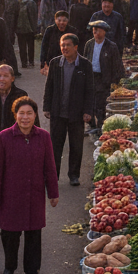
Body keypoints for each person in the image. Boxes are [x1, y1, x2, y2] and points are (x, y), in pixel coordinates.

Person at [0, 96, 58, 274]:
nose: (25, 118)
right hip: (10, 194)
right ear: (15, 115)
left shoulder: (43, 137)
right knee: (9, 234)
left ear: (35, 115)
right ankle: (10, 266)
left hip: (34, 194)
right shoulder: (4, 137)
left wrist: (53, 193)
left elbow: (50, 167)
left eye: (29, 113)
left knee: (34, 235)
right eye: (22, 113)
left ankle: (31, 271)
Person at [42, 32, 94, 187]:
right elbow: (49, 86)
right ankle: (53, 176)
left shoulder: (85, 65)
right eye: (62, 45)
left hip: (76, 113)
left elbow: (90, 90)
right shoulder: (55, 63)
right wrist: (46, 106)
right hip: (58, 111)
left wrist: (88, 110)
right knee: (54, 146)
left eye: (68, 45)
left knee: (76, 145)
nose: (64, 48)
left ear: (76, 47)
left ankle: (74, 175)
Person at [84, 20, 124, 132]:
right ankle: (91, 124)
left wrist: (116, 81)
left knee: (101, 103)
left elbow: (117, 65)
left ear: (104, 32)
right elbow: (84, 60)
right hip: (91, 77)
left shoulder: (111, 46)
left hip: (104, 78)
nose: (96, 33)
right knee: (89, 101)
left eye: (98, 31)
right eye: (94, 30)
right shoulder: (89, 44)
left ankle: (100, 125)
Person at [16, 0, 38, 68]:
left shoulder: (28, 3)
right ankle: (27, 62)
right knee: (26, 46)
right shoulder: (24, 3)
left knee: (26, 46)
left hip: (24, 28)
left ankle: (27, 62)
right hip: (25, 28)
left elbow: (33, 16)